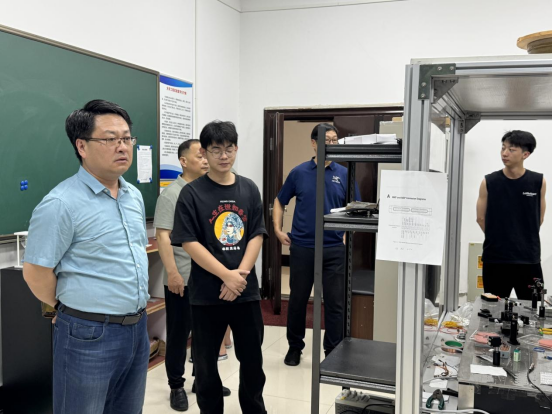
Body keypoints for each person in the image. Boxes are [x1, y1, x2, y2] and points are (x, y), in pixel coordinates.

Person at [22, 100, 150, 414]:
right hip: (88, 333)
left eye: (127, 138)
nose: (123, 146)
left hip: (137, 327)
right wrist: (66, 308)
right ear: (81, 146)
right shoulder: (61, 203)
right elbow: (36, 271)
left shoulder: (133, 196)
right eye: (110, 139)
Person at [171, 120, 267, 414]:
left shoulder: (249, 188)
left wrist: (239, 278)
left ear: (236, 148)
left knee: (252, 362)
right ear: (204, 152)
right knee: (206, 366)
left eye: (229, 149)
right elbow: (189, 242)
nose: (224, 156)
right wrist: (226, 276)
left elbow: (256, 234)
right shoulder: (191, 193)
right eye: (216, 150)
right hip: (206, 294)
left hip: (245, 292)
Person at [273, 123, 360, 366]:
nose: (330, 144)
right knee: (298, 301)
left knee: (334, 303)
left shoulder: (344, 173)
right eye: (326, 140)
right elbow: (280, 201)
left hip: (333, 249)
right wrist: (278, 230)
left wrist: (347, 234)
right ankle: (294, 347)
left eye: (334, 140)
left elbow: (356, 208)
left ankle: (332, 350)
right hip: (302, 247)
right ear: (314, 143)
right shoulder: (299, 172)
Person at [154, 139, 231, 411]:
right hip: (182, 277)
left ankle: (203, 380)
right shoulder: (171, 194)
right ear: (183, 161)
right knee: (179, 335)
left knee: (206, 333)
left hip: (207, 277)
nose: (206, 160)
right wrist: (173, 273)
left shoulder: (207, 190)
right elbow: (163, 236)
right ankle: (176, 385)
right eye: (200, 156)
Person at [477, 130, 546, 300]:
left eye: (511, 149)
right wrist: (502, 238)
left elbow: (539, 218)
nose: (504, 153)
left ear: (525, 154)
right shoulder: (489, 181)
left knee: (532, 309)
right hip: (497, 258)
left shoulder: (538, 181)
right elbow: (480, 218)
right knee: (494, 309)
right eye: (503, 148)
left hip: (527, 258)